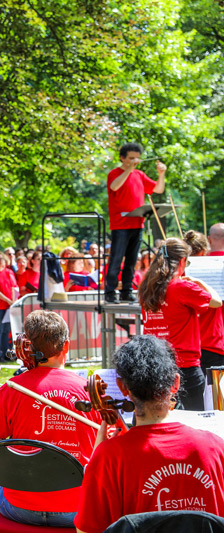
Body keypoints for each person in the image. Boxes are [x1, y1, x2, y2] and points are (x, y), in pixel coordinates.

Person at [75, 335, 224, 533]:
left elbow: (87, 531)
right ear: (175, 383)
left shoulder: (109, 458)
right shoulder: (216, 448)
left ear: (122, 388)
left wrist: (98, 457)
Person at [0, 311, 102, 527]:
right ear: (66, 346)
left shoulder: (12, 390)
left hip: (20, 506)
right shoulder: (91, 392)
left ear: (27, 347)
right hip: (77, 508)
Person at [140, 238, 222, 410]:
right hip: (185, 364)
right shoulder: (181, 286)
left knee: (159, 415)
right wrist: (199, 282)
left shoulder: (147, 287)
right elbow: (216, 302)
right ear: (183, 261)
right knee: (197, 417)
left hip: (156, 360)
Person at [105, 143, 167, 304]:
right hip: (120, 225)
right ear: (122, 158)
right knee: (116, 259)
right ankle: (110, 292)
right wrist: (128, 170)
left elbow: (158, 189)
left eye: (136, 158)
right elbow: (114, 186)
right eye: (131, 158)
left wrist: (161, 174)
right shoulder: (115, 173)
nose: (134, 161)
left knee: (132, 261)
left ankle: (126, 291)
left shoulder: (140, 175)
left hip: (137, 223)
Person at [184, 231, 224, 383]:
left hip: (188, 347)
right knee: (215, 400)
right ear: (203, 251)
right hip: (213, 343)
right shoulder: (218, 269)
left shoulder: (178, 276)